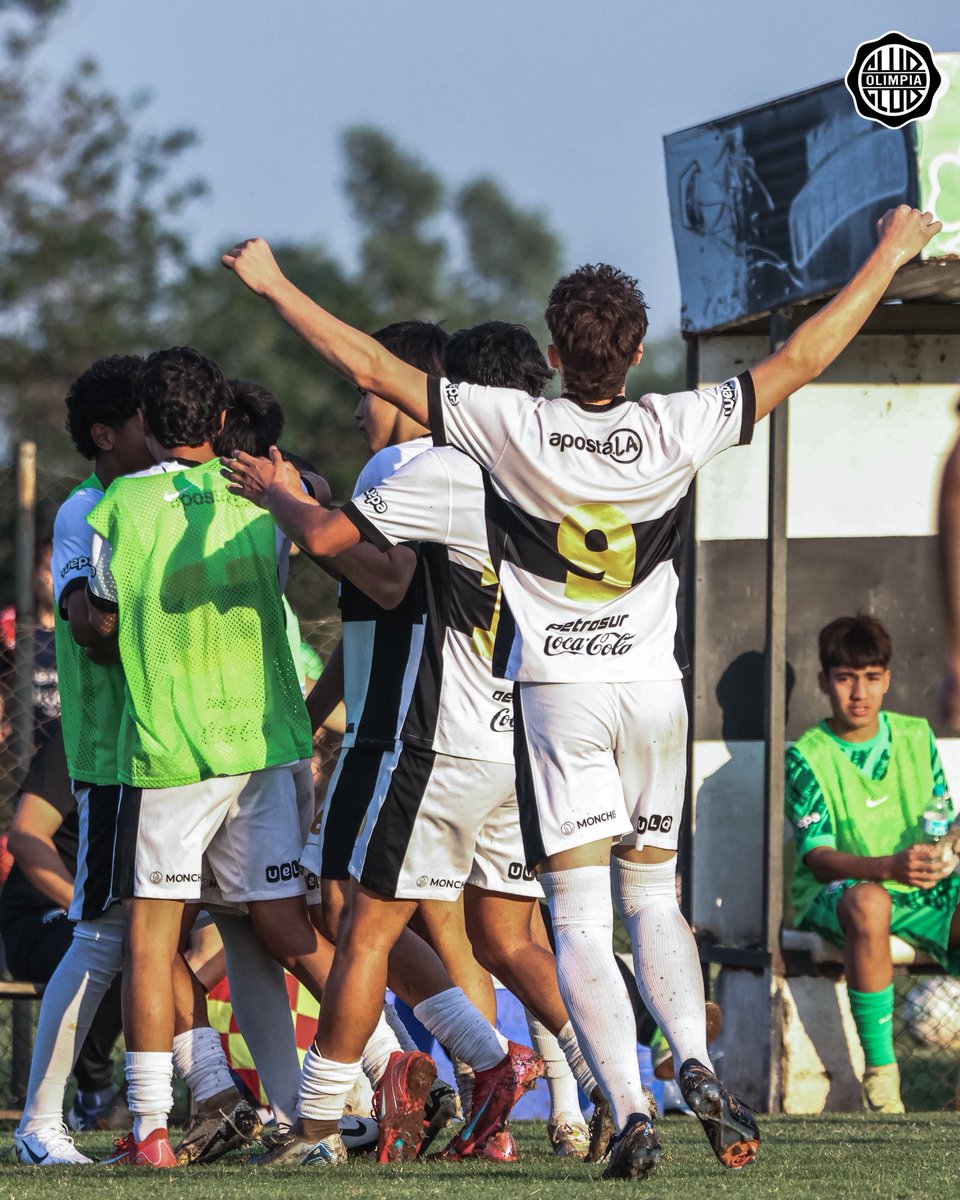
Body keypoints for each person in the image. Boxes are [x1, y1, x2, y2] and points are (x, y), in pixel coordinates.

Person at [221, 202, 941, 1180]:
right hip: (656, 692)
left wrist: (272, 284)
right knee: (655, 898)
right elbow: (804, 361)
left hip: (558, 694)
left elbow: (375, 369)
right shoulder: (676, 423)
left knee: (572, 921)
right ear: (637, 353)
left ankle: (630, 1103)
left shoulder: (511, 430)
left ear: (556, 354)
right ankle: (691, 1055)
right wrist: (891, 255)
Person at [786, 614, 959, 1114]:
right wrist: (889, 866)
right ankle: (882, 1081)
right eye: (844, 678)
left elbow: (941, 818)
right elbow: (818, 859)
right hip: (841, 892)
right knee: (867, 901)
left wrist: (945, 849)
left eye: (871, 677)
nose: (858, 692)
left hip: (915, 883)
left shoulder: (916, 735)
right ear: (824, 682)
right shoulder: (807, 755)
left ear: (888, 679)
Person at [2, 728, 125, 1151]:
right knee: (108, 943)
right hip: (42, 914)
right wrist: (84, 904)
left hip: (116, 909)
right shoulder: (78, 737)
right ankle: (93, 1096)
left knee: (160, 945)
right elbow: (25, 836)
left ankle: (211, 1093)